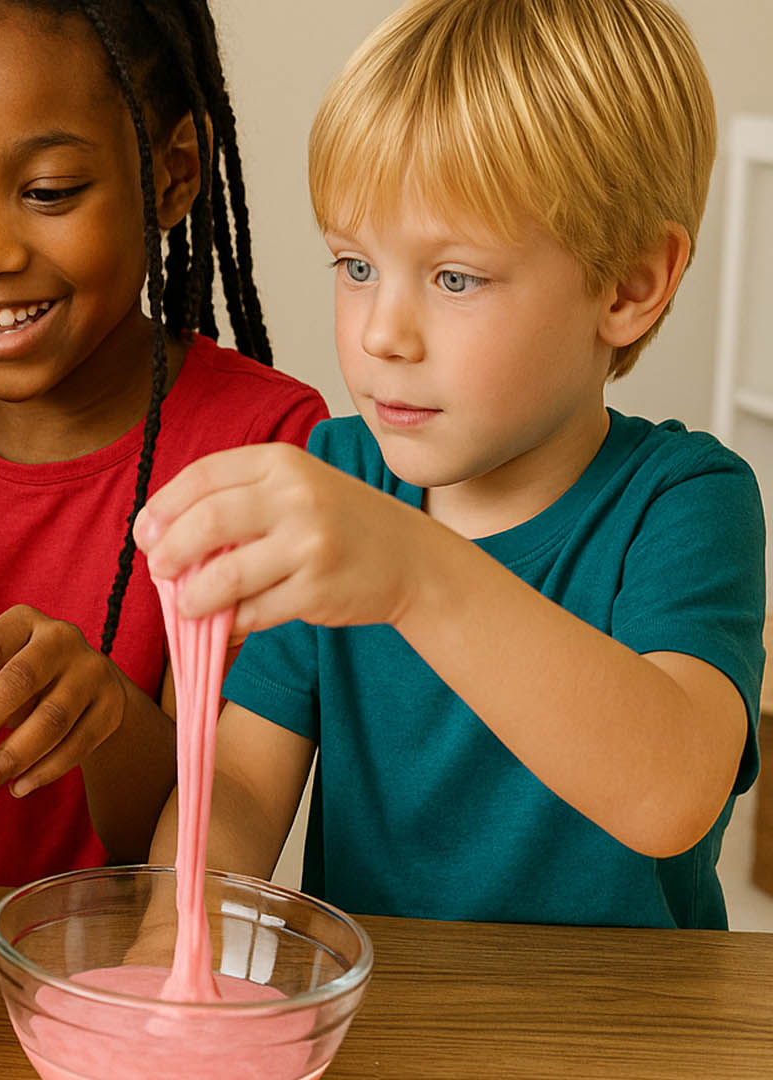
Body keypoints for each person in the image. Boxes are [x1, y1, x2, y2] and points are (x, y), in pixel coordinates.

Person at [137, 0, 763, 928]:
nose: (383, 334)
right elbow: (237, 781)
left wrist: (410, 572)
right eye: (355, 267)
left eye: (454, 277)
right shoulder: (335, 475)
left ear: (631, 285)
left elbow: (672, 793)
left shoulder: (684, 501)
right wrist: (169, 940)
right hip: (383, 1025)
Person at [0, 0, 327, 885]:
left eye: (49, 191)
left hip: (104, 980)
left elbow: (201, 842)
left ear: (173, 176)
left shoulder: (260, 451)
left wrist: (109, 716)